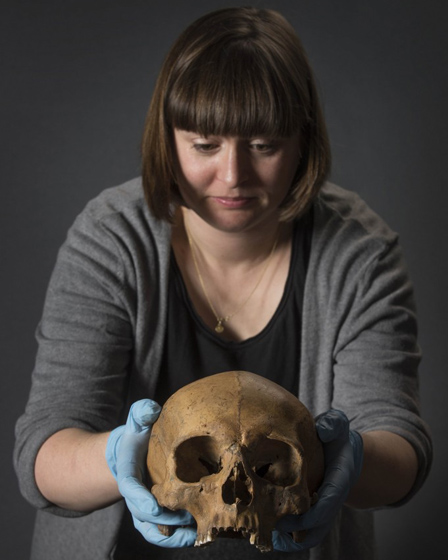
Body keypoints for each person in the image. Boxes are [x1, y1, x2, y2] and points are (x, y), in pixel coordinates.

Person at [14, 6, 432, 560]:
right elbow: (42, 453)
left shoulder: (360, 254)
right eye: (205, 145)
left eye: (263, 145)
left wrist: (351, 459)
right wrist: (120, 458)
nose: (233, 176)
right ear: (168, 140)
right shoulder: (110, 239)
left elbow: (400, 448)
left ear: (303, 142)